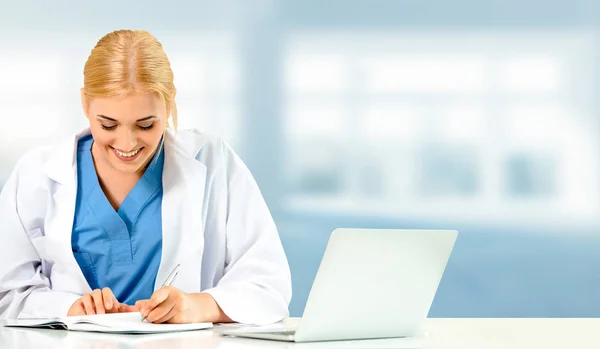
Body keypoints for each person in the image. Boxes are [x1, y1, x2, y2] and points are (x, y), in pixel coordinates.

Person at [0, 29, 292, 325]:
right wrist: (71, 308)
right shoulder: (37, 175)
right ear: (85, 104)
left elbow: (268, 285)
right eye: (108, 125)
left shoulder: (214, 162)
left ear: (168, 104)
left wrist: (198, 306)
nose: (126, 144)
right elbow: (8, 295)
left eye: (145, 125)